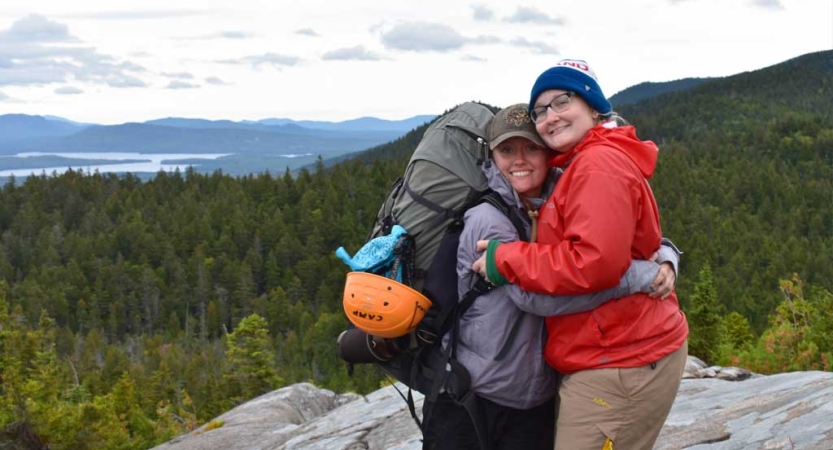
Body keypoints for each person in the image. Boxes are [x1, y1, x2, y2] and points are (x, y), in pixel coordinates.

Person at [422, 103, 681, 450]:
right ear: (491, 157)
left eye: (531, 147)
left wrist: (667, 254)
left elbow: (614, 237)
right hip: (481, 391)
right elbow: (538, 298)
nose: (520, 160)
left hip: (531, 390)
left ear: (548, 153)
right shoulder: (489, 220)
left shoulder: (558, 192)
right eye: (507, 150)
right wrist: (639, 276)